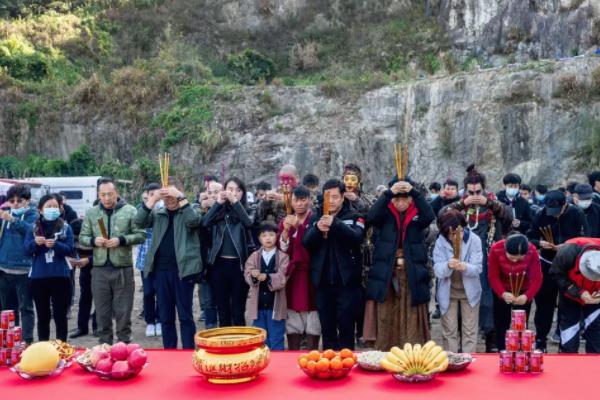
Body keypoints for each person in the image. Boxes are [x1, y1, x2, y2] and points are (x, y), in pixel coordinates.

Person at [363, 176, 435, 351]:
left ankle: (412, 353)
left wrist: (414, 191)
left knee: (411, 317)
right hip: (387, 273)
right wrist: (388, 194)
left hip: (412, 274)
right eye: (397, 198)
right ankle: (385, 352)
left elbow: (430, 216)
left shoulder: (418, 213)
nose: (401, 202)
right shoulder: (384, 213)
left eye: (405, 198)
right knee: (386, 313)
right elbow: (371, 216)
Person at [446, 165, 512, 352]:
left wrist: (488, 203)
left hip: (488, 259)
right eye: (470, 192)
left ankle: (490, 339)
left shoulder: (493, 203)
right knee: (462, 298)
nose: (475, 194)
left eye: (478, 191)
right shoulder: (459, 205)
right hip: (463, 260)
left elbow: (508, 216)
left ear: (484, 189)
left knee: (488, 300)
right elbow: (442, 216)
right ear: (465, 191)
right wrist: (463, 203)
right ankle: (461, 342)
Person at [79, 177, 146, 344]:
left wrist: (121, 240)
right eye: (103, 194)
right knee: (102, 315)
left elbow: (141, 235)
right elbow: (83, 237)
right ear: (98, 195)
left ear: (117, 192)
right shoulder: (92, 213)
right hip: (100, 270)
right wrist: (95, 241)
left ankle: (124, 351)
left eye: (110, 194)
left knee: (123, 315)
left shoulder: (130, 211)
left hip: (123, 269)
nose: (107, 198)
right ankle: (104, 351)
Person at [135, 184, 202, 349]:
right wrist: (153, 199)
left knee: (185, 316)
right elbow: (138, 221)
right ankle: (169, 351)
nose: (169, 199)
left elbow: (194, 221)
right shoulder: (158, 214)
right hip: (160, 271)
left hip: (183, 271)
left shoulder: (190, 209)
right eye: (166, 197)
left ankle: (188, 351)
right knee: (166, 316)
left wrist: (181, 197)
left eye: (172, 196)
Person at [303, 179, 365, 350]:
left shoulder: (354, 215)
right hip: (323, 284)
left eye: (335, 197)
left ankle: (347, 368)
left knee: (346, 331)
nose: (331, 201)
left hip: (348, 284)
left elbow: (357, 238)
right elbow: (306, 242)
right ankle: (329, 368)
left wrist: (335, 224)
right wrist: (317, 229)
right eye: (328, 197)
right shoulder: (316, 216)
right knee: (327, 332)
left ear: (343, 196)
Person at [527, 190, 589, 351]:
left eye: (557, 211)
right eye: (550, 211)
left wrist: (570, 245)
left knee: (567, 304)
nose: (553, 215)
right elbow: (530, 237)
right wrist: (540, 243)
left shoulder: (576, 213)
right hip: (547, 263)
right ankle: (540, 340)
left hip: (570, 265)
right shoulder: (541, 214)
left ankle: (565, 341)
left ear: (565, 205)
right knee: (544, 305)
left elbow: (587, 238)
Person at [203, 177, 254, 327]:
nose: (234, 193)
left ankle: (240, 347)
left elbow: (248, 223)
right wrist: (218, 203)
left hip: (239, 266)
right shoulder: (218, 211)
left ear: (243, 193)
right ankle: (225, 347)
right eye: (230, 189)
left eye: (238, 190)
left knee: (238, 312)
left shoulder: (250, 209)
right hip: (218, 265)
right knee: (223, 312)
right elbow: (204, 223)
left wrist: (236, 203)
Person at [25, 194, 75, 341]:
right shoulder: (33, 228)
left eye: (55, 206)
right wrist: (36, 244)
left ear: (60, 209)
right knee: (43, 316)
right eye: (48, 207)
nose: (52, 209)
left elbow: (70, 249)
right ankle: (43, 347)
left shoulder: (66, 227)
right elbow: (26, 250)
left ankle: (62, 347)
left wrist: (56, 245)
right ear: (40, 210)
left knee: (61, 316)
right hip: (39, 278)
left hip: (61, 276)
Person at [433, 209, 483, 353]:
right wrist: (448, 265)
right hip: (448, 292)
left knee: (470, 331)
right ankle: (451, 361)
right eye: (451, 233)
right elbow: (437, 269)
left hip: (470, 292)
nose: (456, 236)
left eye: (459, 231)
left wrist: (464, 266)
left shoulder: (474, 240)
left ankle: (469, 361)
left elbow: (477, 268)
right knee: (449, 331)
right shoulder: (440, 242)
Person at [278, 185, 320, 350]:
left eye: (303, 200)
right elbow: (281, 250)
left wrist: (299, 228)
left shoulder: (315, 220)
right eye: (296, 200)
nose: (300, 204)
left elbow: (314, 244)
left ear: (309, 200)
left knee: (313, 315)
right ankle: (293, 351)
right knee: (292, 313)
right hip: (293, 275)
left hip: (312, 272)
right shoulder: (285, 221)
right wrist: (285, 232)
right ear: (291, 201)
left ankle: (313, 352)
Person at [488, 234, 542, 351]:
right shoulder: (496, 249)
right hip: (502, 288)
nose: (514, 261)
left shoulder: (532, 251)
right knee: (501, 322)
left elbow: (536, 278)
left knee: (521, 322)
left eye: (519, 258)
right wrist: (502, 293)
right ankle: (502, 350)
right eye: (511, 257)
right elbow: (493, 276)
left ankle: (521, 351)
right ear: (505, 248)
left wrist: (527, 296)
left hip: (523, 289)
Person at [0, 184, 37, 344]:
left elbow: (31, 231)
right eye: (11, 200)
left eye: (19, 200)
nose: (15, 203)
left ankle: (27, 341)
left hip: (25, 270)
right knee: (8, 309)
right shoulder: (4, 216)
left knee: (26, 308)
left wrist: (13, 220)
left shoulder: (33, 215)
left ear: (27, 201)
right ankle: (10, 342)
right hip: (4, 269)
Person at [550, 237, 600, 353]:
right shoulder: (567, 252)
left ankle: (595, 364)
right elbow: (556, 275)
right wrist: (579, 292)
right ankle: (568, 358)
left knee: (596, 329)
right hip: (570, 293)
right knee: (569, 329)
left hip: (596, 296)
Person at [245, 223, 289, 350]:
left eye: (271, 235)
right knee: (260, 339)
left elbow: (283, 277)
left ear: (277, 236)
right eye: (264, 236)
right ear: (259, 239)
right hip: (257, 306)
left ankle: (277, 365)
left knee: (276, 338)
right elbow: (247, 273)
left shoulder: (283, 257)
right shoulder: (254, 256)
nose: (268, 238)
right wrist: (253, 275)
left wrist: (268, 277)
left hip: (276, 306)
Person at [135, 183, 161, 337]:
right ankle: (150, 321)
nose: (154, 198)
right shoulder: (143, 211)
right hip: (146, 259)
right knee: (148, 292)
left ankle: (160, 320)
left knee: (162, 293)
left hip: (162, 260)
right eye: (151, 195)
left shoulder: (165, 210)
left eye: (157, 195)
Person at [198, 180, 221, 329]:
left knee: (224, 299)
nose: (212, 196)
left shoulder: (227, 210)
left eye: (216, 192)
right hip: (206, 262)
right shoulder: (199, 210)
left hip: (223, 262)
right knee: (208, 300)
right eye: (210, 192)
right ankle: (211, 329)